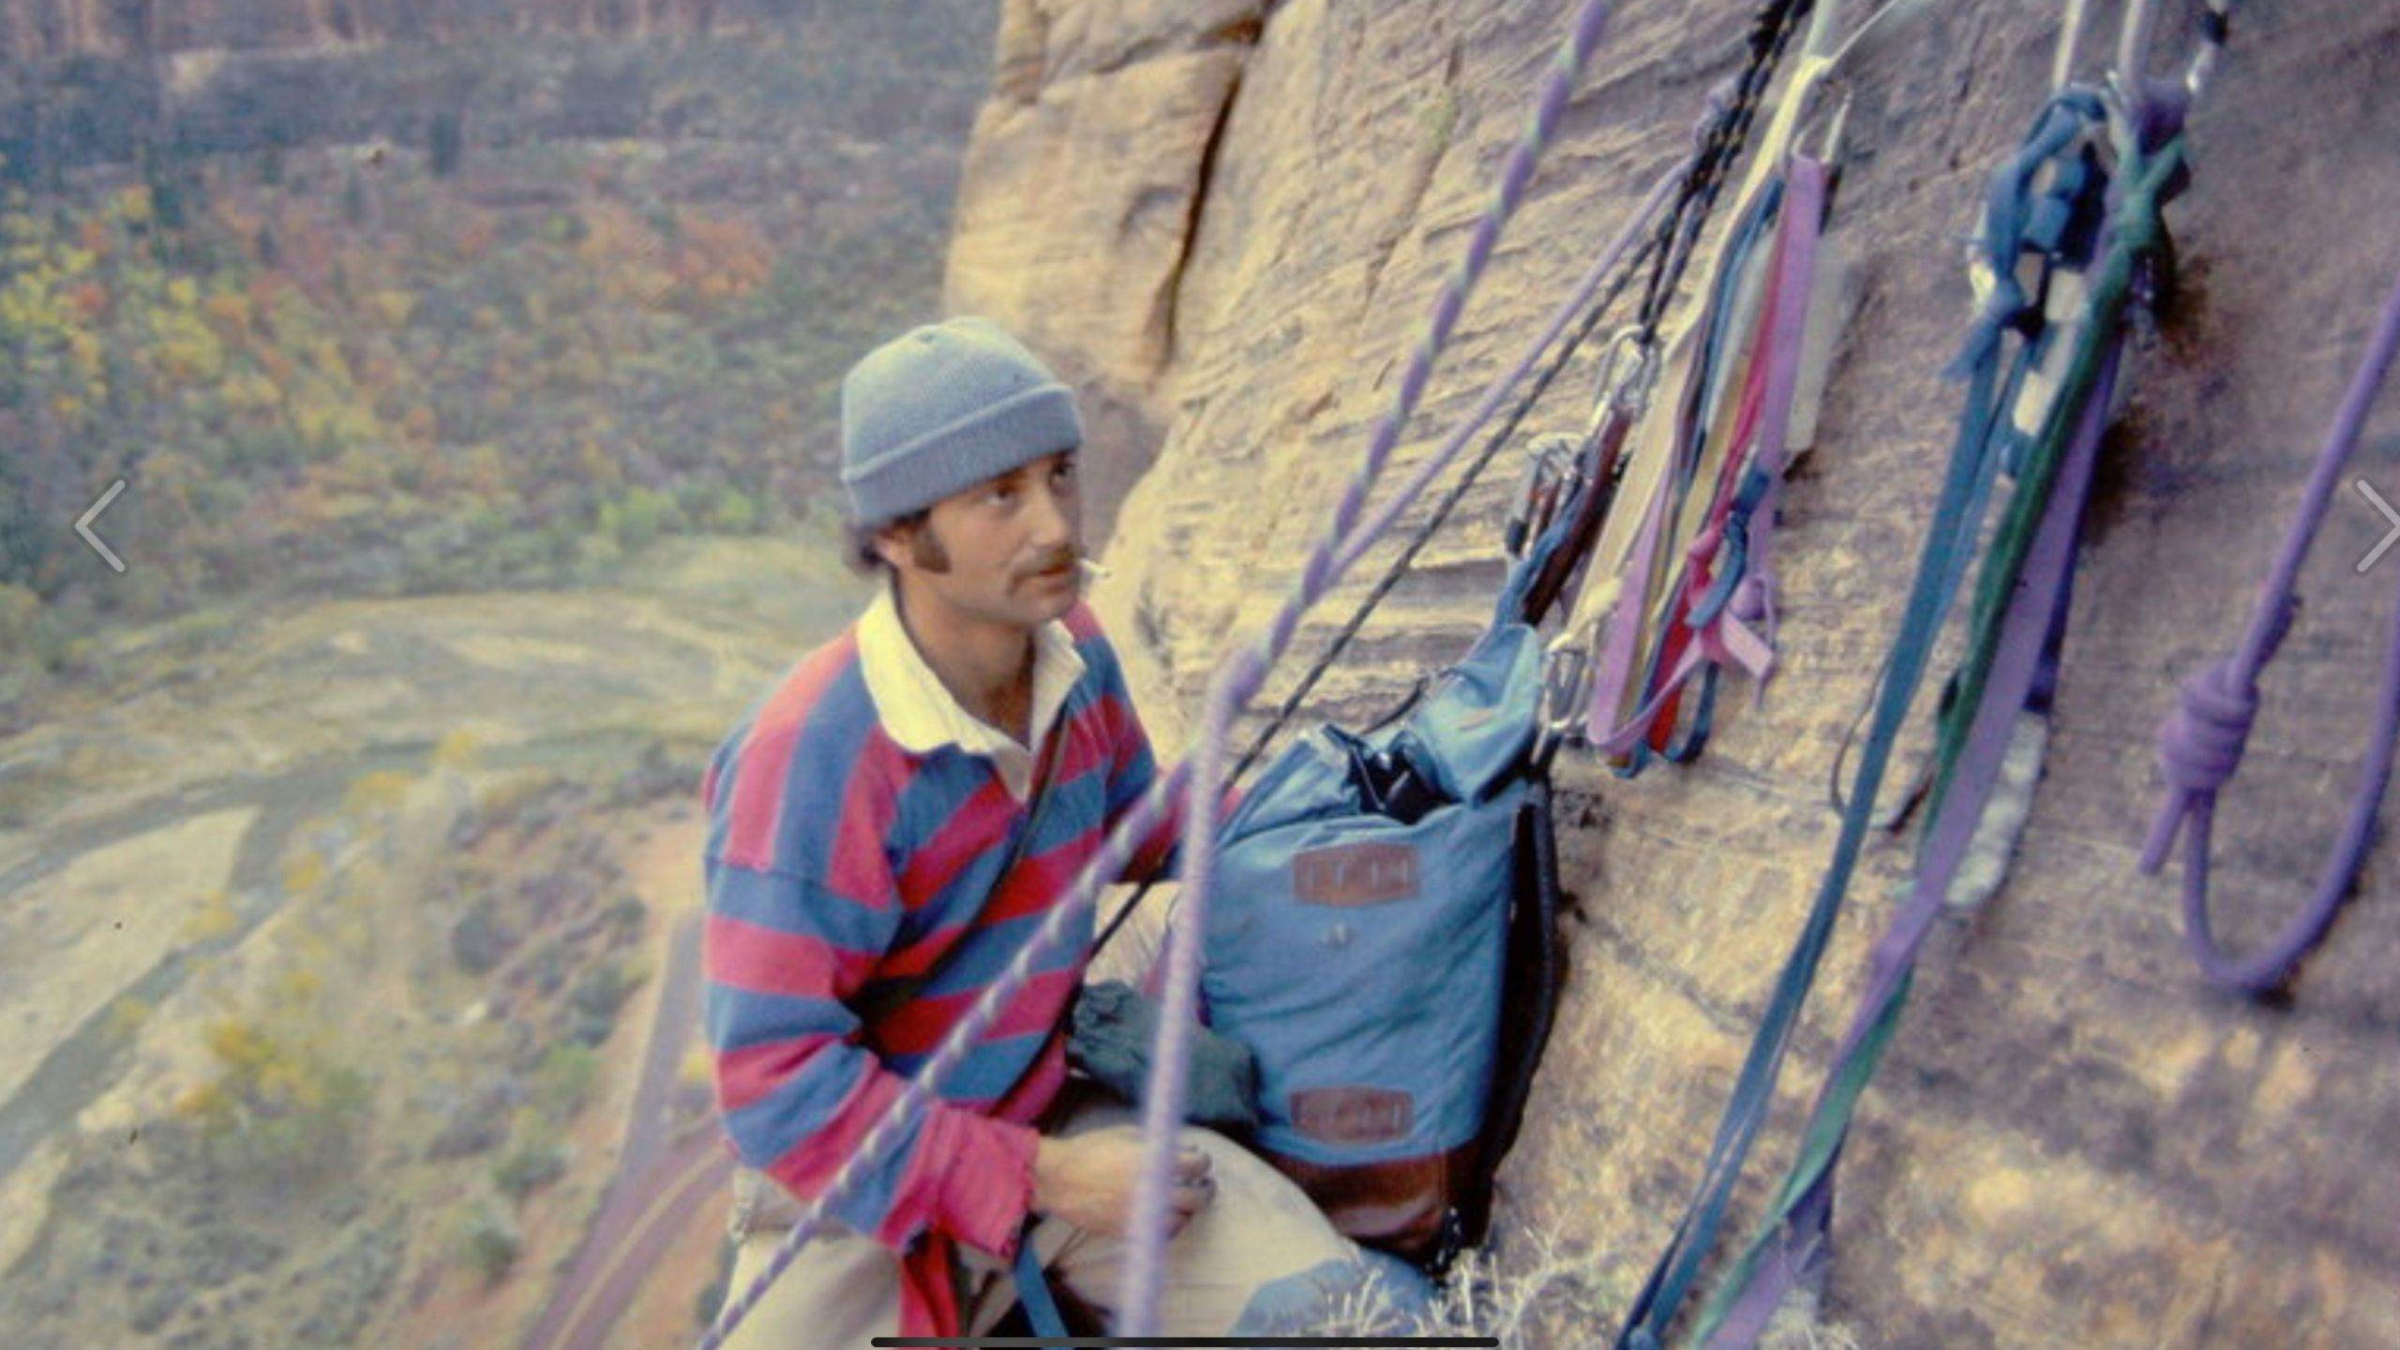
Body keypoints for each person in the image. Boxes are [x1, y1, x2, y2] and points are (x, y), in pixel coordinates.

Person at [700, 318, 1410, 1343]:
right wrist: (1050, 1178)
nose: (1055, 525)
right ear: (898, 535)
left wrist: (1321, 823)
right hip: (859, 1208)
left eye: (1062, 475)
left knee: (1347, 1320)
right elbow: (773, 1082)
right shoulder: (813, 758)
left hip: (1047, 1117)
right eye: (1000, 494)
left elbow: (1134, 826)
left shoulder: (1071, 652)